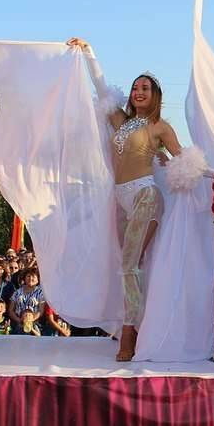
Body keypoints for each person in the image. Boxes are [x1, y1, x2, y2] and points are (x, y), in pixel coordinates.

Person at [68, 36, 185, 361]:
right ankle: (140, 326)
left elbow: (184, 159)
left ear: (156, 95)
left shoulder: (160, 127)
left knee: (129, 265)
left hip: (146, 196)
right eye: (136, 87)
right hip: (122, 201)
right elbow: (102, 85)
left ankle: (129, 337)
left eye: (145, 88)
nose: (139, 92)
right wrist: (89, 52)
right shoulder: (120, 120)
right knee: (129, 265)